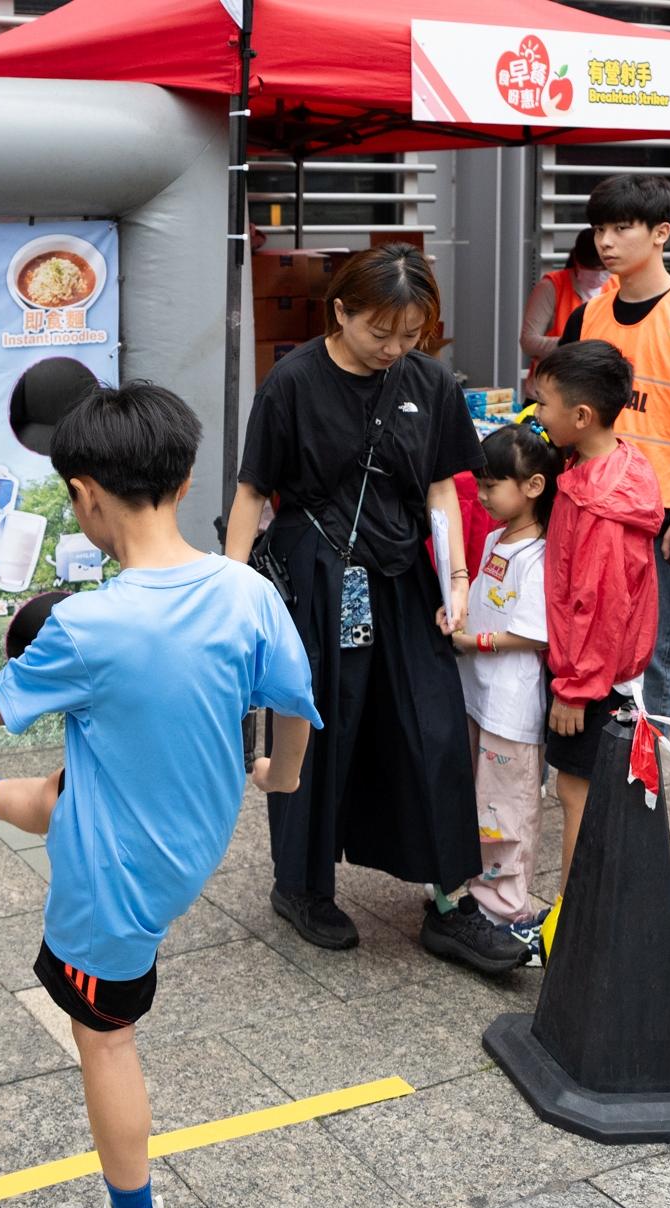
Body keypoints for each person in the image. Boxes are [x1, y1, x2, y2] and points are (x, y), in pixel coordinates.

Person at [0, 381, 321, 1208]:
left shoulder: (86, 623)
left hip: (120, 879)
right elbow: (293, 708)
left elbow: (0, 699)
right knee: (67, 791)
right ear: (182, 482)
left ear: (85, 495)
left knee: (103, 1035)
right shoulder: (244, 589)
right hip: (189, 825)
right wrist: (282, 778)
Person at [223, 243, 498, 969]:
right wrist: (229, 594)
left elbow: (442, 488)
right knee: (318, 726)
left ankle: (448, 897)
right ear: (339, 310)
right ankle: (302, 885)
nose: (394, 349)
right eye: (380, 331)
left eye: (410, 334)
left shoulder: (428, 383)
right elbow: (253, 492)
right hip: (317, 577)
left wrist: (459, 580)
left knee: (433, 727)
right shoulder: (290, 383)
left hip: (404, 572)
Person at [559, 175, 670, 719]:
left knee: (655, 647)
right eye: (599, 229)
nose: (606, 242)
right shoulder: (587, 316)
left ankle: (644, 773)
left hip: (661, 511)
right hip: (588, 502)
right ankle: (587, 760)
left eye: (622, 228)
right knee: (582, 629)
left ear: (662, 232)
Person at [530, 340, 664, 891]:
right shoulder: (603, 465)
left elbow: (601, 605)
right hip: (599, 672)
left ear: (581, 416)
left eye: (542, 404)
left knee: (576, 790)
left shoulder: (602, 505)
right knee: (582, 788)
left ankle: (572, 922)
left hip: (593, 678)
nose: (535, 413)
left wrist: (575, 688)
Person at [430, 423, 562, 967]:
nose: (482, 498)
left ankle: (505, 908)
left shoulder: (541, 549)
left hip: (511, 702)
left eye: (491, 487)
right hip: (475, 691)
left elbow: (534, 631)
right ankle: (474, 893)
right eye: (479, 486)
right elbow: (482, 601)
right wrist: (454, 612)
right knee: (478, 797)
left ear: (533, 486)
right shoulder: (491, 539)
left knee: (507, 809)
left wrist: (473, 638)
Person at [520, 227, 612, 396]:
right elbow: (528, 341)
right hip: (552, 391)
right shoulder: (552, 286)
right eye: (592, 270)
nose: (598, 276)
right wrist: (570, 343)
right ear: (577, 261)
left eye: (604, 270)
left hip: (599, 392)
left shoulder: (617, 286)